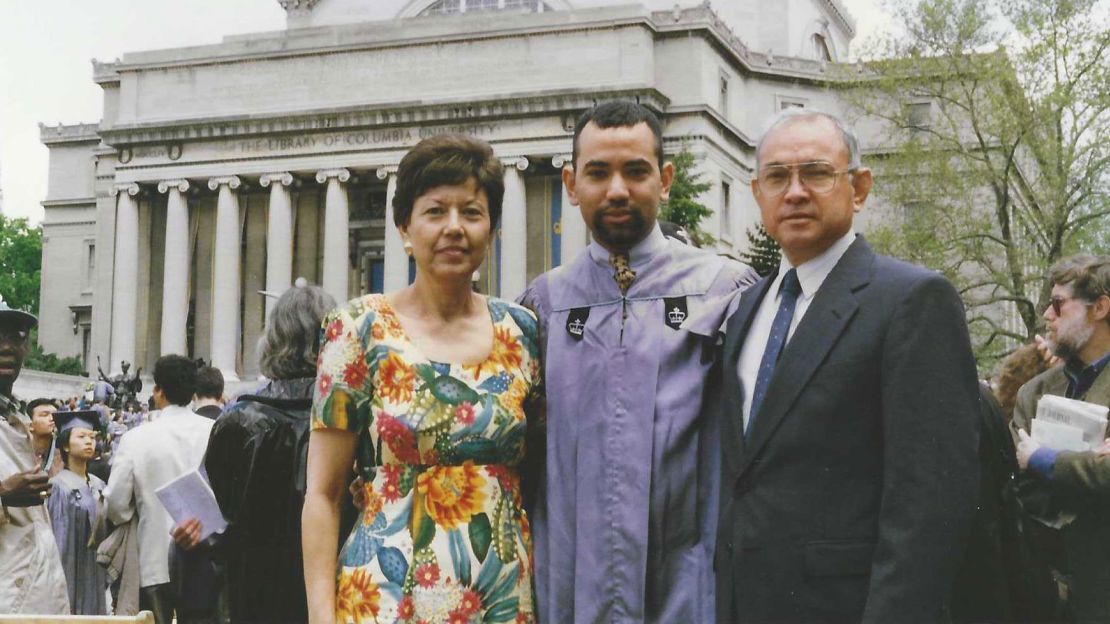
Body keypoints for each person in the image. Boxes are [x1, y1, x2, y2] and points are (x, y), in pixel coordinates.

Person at [715, 108, 980, 623]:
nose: (794, 191)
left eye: (815, 173)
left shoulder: (911, 301)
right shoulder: (748, 309)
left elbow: (929, 506)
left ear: (858, 188)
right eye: (777, 177)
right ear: (757, 194)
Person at [518, 101, 757, 623]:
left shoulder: (724, 291)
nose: (618, 189)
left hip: (690, 585)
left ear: (665, 179)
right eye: (598, 173)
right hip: (571, 586)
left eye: (636, 171)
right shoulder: (544, 304)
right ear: (570, 183)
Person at [303, 134, 543, 624]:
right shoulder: (358, 329)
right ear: (405, 229)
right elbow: (323, 495)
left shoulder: (523, 331)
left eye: (471, 213)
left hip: (501, 599)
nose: (454, 228)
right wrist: (320, 616)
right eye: (436, 211)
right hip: (385, 597)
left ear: (491, 229)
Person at [177, 284, 341, 623]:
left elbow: (206, 527)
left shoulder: (239, 421)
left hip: (255, 596)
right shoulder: (351, 420)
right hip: (339, 592)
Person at [1012, 255, 1110, 621]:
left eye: (1058, 304)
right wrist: (1092, 469)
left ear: (1099, 308)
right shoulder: (1033, 394)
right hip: (1046, 594)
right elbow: (1022, 489)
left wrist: (1045, 461)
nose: (1047, 316)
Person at [104, 354, 215, 624]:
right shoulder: (216, 431)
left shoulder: (135, 439)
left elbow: (116, 505)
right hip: (209, 559)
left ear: (158, 391)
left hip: (154, 562)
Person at [0, 294, 69, 614]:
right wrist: (2, 496)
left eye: (16, 336)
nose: (7, 345)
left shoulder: (17, 418)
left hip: (36, 599)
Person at [47, 410, 110, 615]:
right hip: (71, 567)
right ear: (65, 445)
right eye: (81, 437)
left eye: (92, 437)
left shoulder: (99, 484)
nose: (89, 442)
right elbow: (60, 542)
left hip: (96, 568)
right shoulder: (59, 486)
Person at [26, 397, 63, 478]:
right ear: (30, 426)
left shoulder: (64, 456)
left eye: (54, 415)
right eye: (44, 415)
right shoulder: (20, 453)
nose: (52, 419)